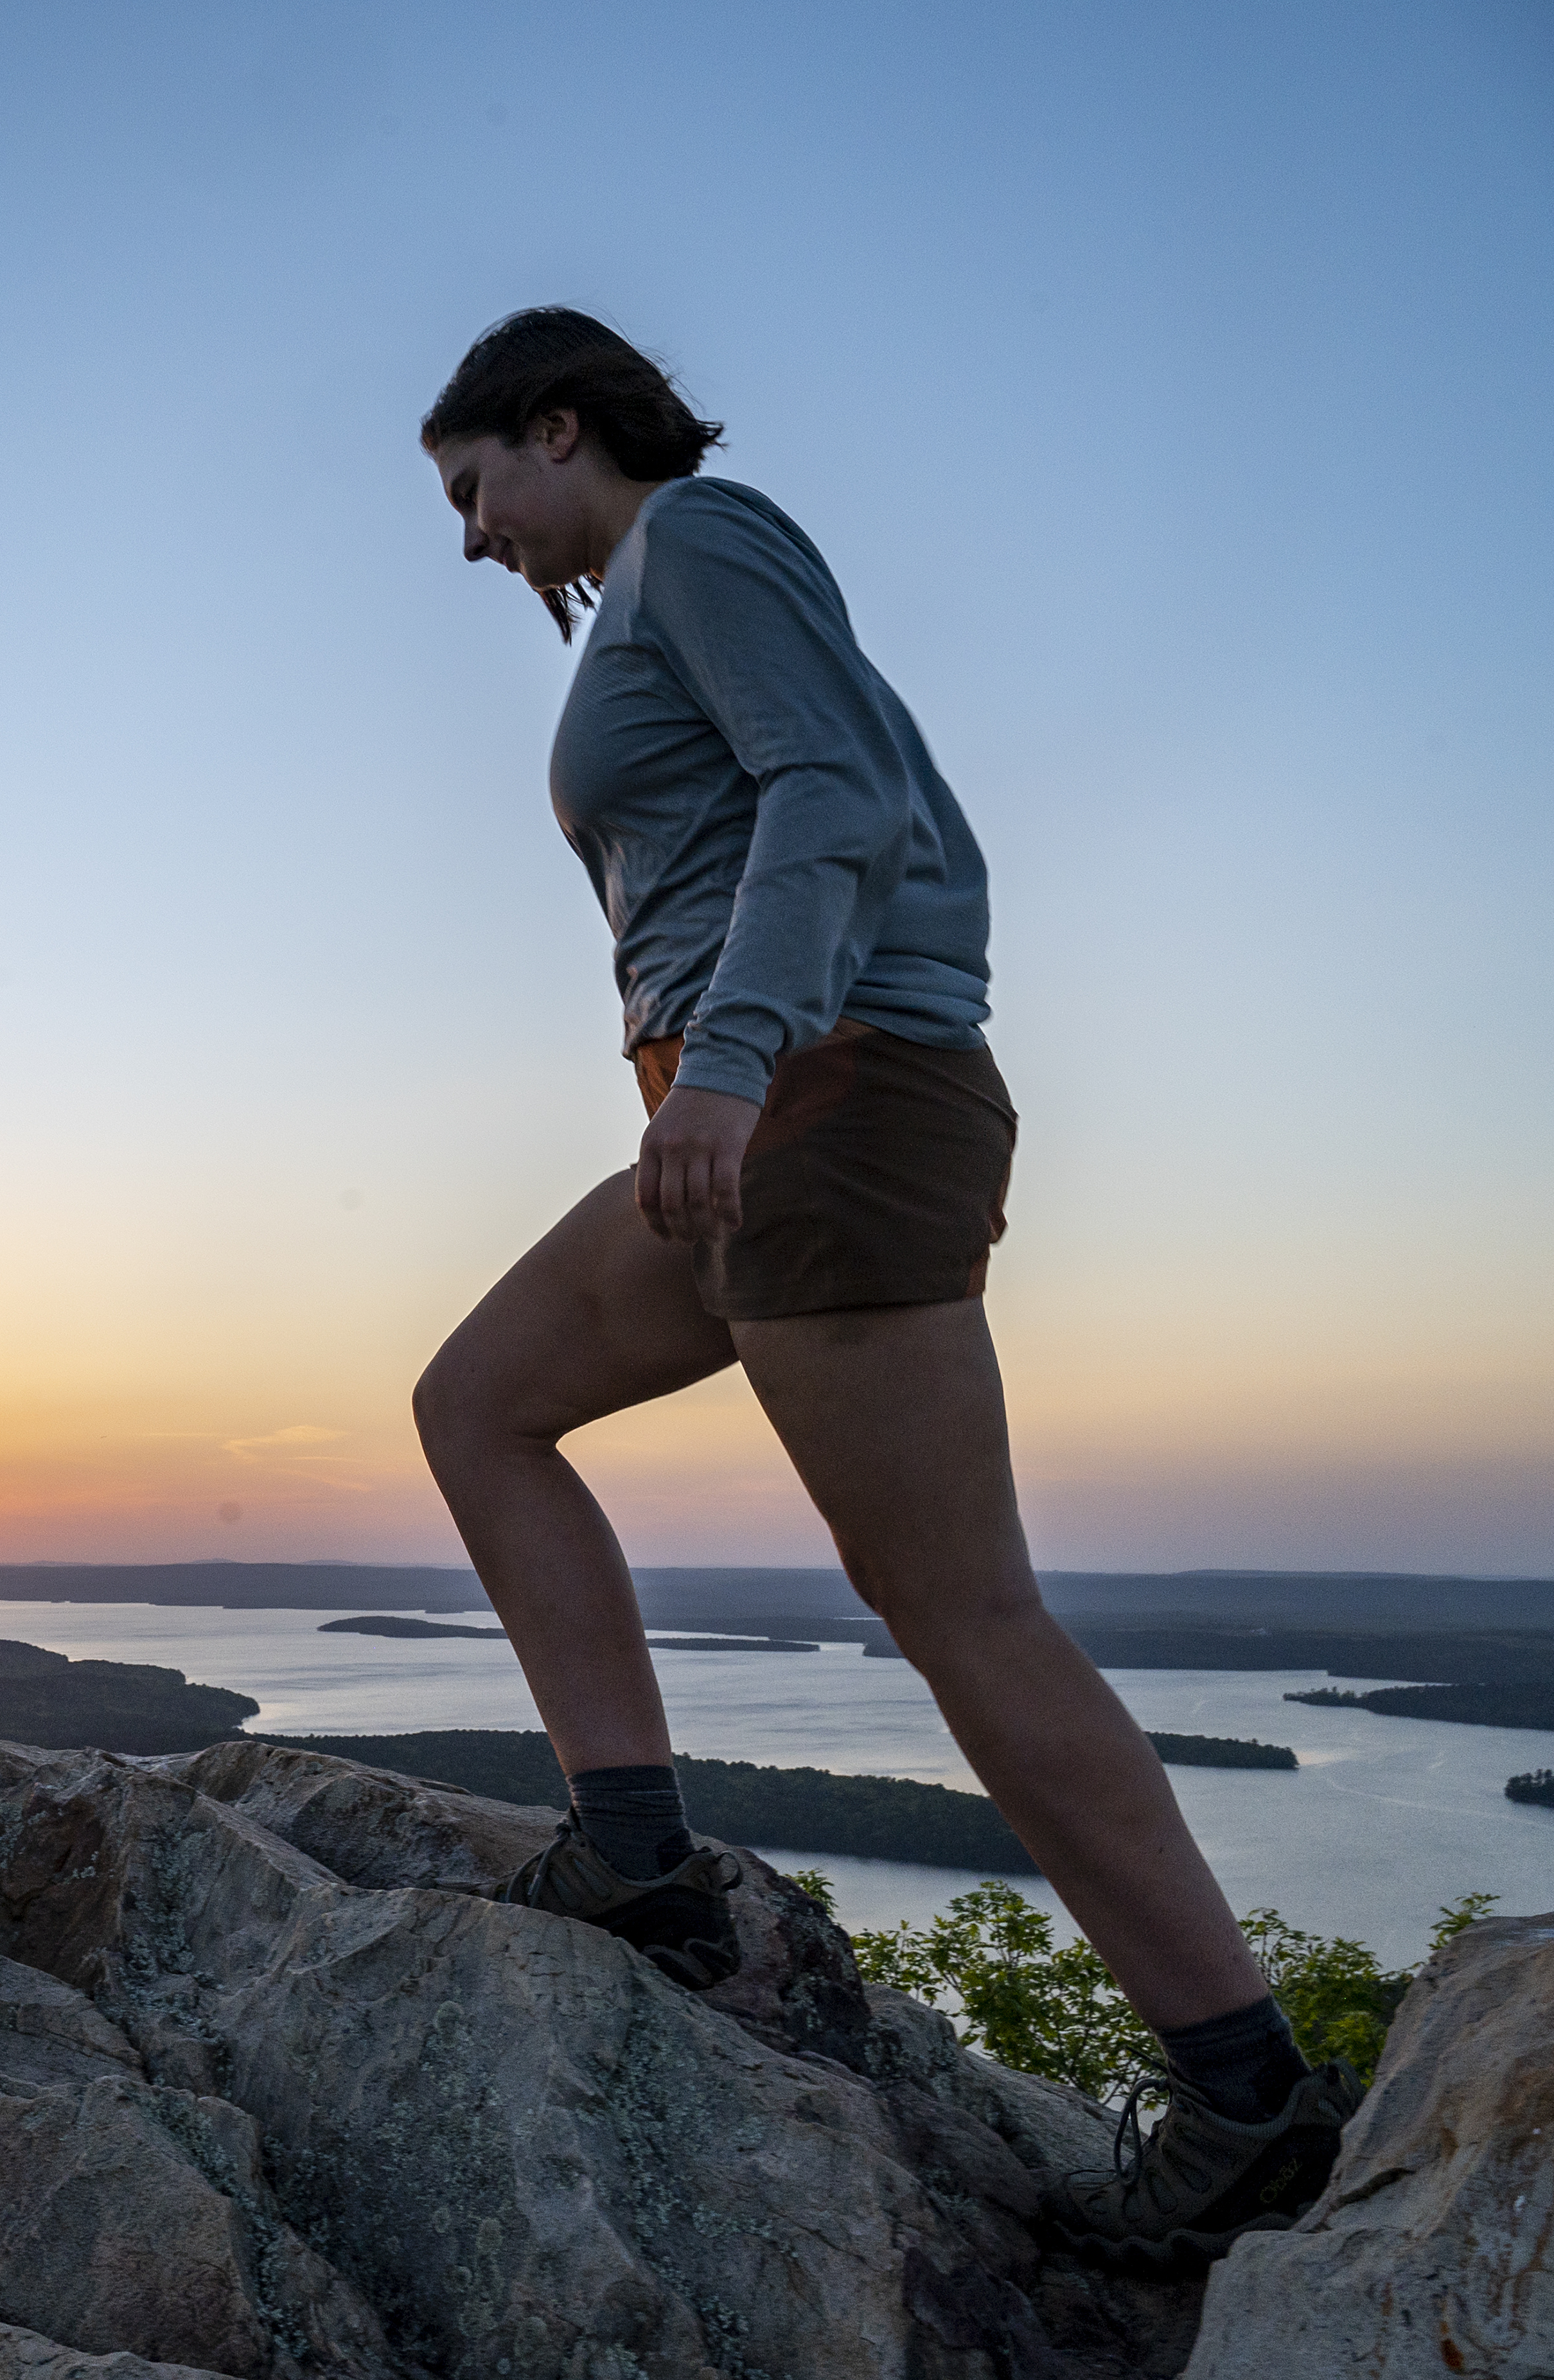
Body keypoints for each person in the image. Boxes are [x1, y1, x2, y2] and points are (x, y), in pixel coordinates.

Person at [403, 307, 1355, 2268]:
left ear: (559, 425)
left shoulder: (704, 538)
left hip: (818, 1099)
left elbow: (838, 792)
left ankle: (1243, 2093)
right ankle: (638, 1852)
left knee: (954, 1604)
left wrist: (738, 1059)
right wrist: (711, 1074)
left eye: (473, 486)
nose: (471, 535)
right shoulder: (652, 586)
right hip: (741, 1111)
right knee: (475, 1401)